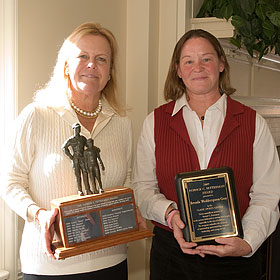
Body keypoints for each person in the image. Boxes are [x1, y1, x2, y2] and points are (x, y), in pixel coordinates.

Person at [1, 21, 145, 279]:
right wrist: (39, 215)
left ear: (110, 72)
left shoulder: (121, 122)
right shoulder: (36, 115)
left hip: (111, 261)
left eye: (101, 59)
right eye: (83, 56)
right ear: (66, 65)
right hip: (50, 265)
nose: (92, 65)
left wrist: (130, 207)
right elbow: (10, 183)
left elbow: (126, 179)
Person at [132, 29, 280, 280]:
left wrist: (248, 243)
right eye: (188, 60)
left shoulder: (252, 122)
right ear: (178, 70)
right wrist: (170, 215)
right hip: (173, 256)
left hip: (236, 261)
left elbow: (267, 194)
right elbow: (143, 187)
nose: (197, 67)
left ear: (221, 64)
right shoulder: (155, 122)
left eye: (206, 59)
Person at [62, 123, 92, 196]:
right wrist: (70, 156)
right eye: (76, 128)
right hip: (75, 158)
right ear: (74, 129)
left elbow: (88, 146)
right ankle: (80, 190)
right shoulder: (71, 140)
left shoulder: (83, 138)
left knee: (85, 173)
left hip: (82, 158)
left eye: (79, 128)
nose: (78, 130)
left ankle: (88, 189)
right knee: (77, 175)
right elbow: (64, 148)